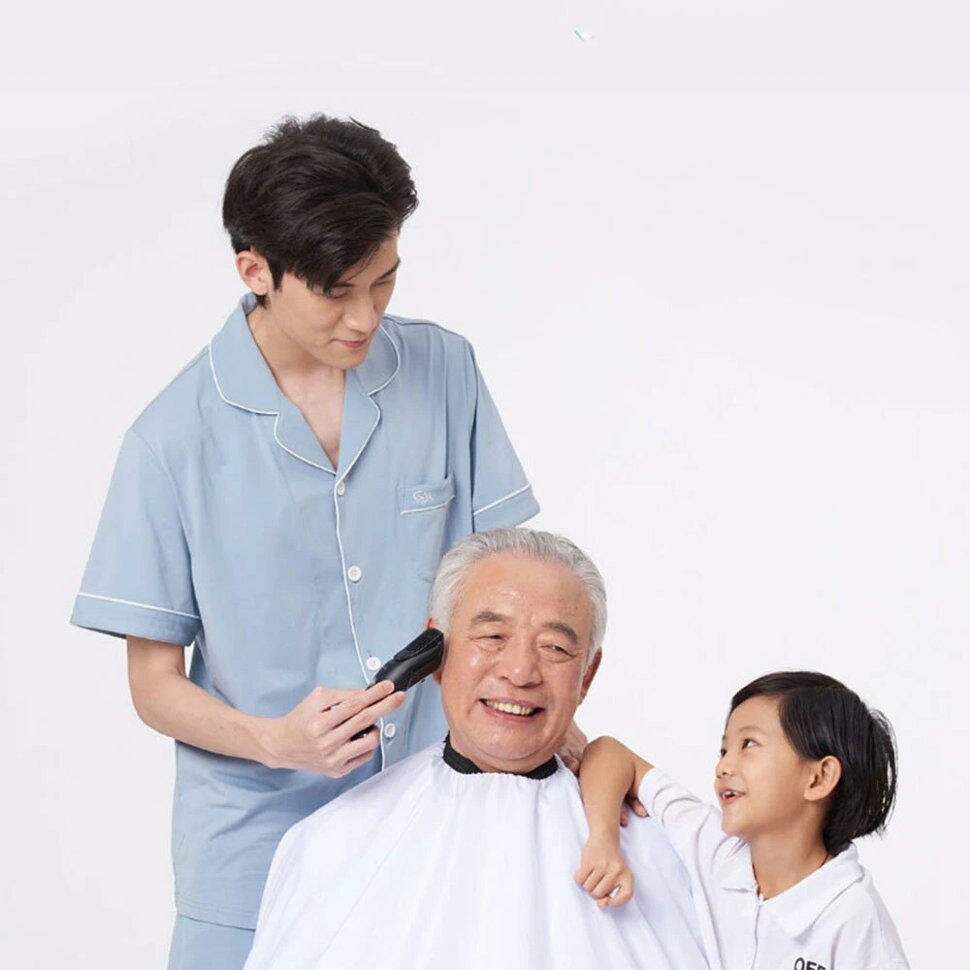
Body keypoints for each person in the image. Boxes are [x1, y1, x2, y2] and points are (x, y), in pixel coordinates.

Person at [69, 115, 542, 970]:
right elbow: (152, 684)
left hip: (435, 812)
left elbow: (509, 580)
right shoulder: (169, 442)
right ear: (256, 270)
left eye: (384, 282)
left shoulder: (446, 372)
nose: (365, 317)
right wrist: (275, 740)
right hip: (254, 843)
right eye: (336, 292)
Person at [244, 529, 707, 970]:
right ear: (435, 651)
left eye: (554, 647)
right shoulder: (328, 844)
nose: (520, 671)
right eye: (492, 637)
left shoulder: (655, 850)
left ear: (587, 674)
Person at [576, 671, 910, 969]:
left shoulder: (854, 918)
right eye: (724, 750)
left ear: (818, 778)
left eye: (748, 744)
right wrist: (604, 839)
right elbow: (608, 753)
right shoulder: (715, 848)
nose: (723, 766)